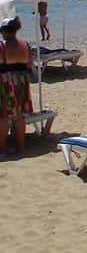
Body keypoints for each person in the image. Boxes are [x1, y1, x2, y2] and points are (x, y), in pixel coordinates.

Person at [0, 17, 33, 156]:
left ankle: (2, 150)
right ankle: (21, 148)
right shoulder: (25, 44)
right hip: (22, 81)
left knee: (3, 117)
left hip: (6, 82)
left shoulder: (2, 46)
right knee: (19, 116)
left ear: (4, 31)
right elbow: (29, 63)